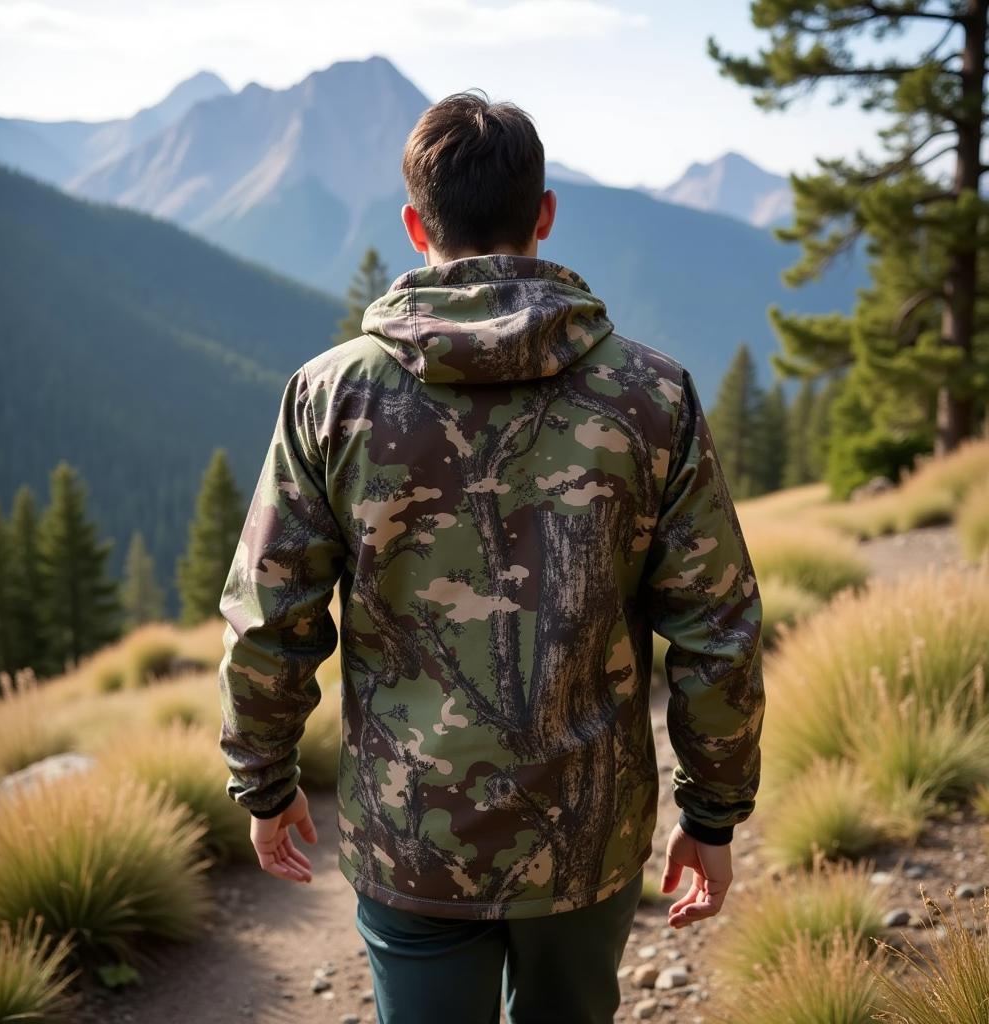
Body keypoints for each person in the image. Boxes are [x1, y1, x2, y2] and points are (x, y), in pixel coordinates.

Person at [217, 88, 765, 1024]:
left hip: (411, 836)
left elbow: (271, 619)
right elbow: (718, 629)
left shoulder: (330, 397)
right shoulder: (652, 395)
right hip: (587, 836)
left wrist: (265, 784)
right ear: (543, 215)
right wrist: (710, 815)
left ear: (412, 222)